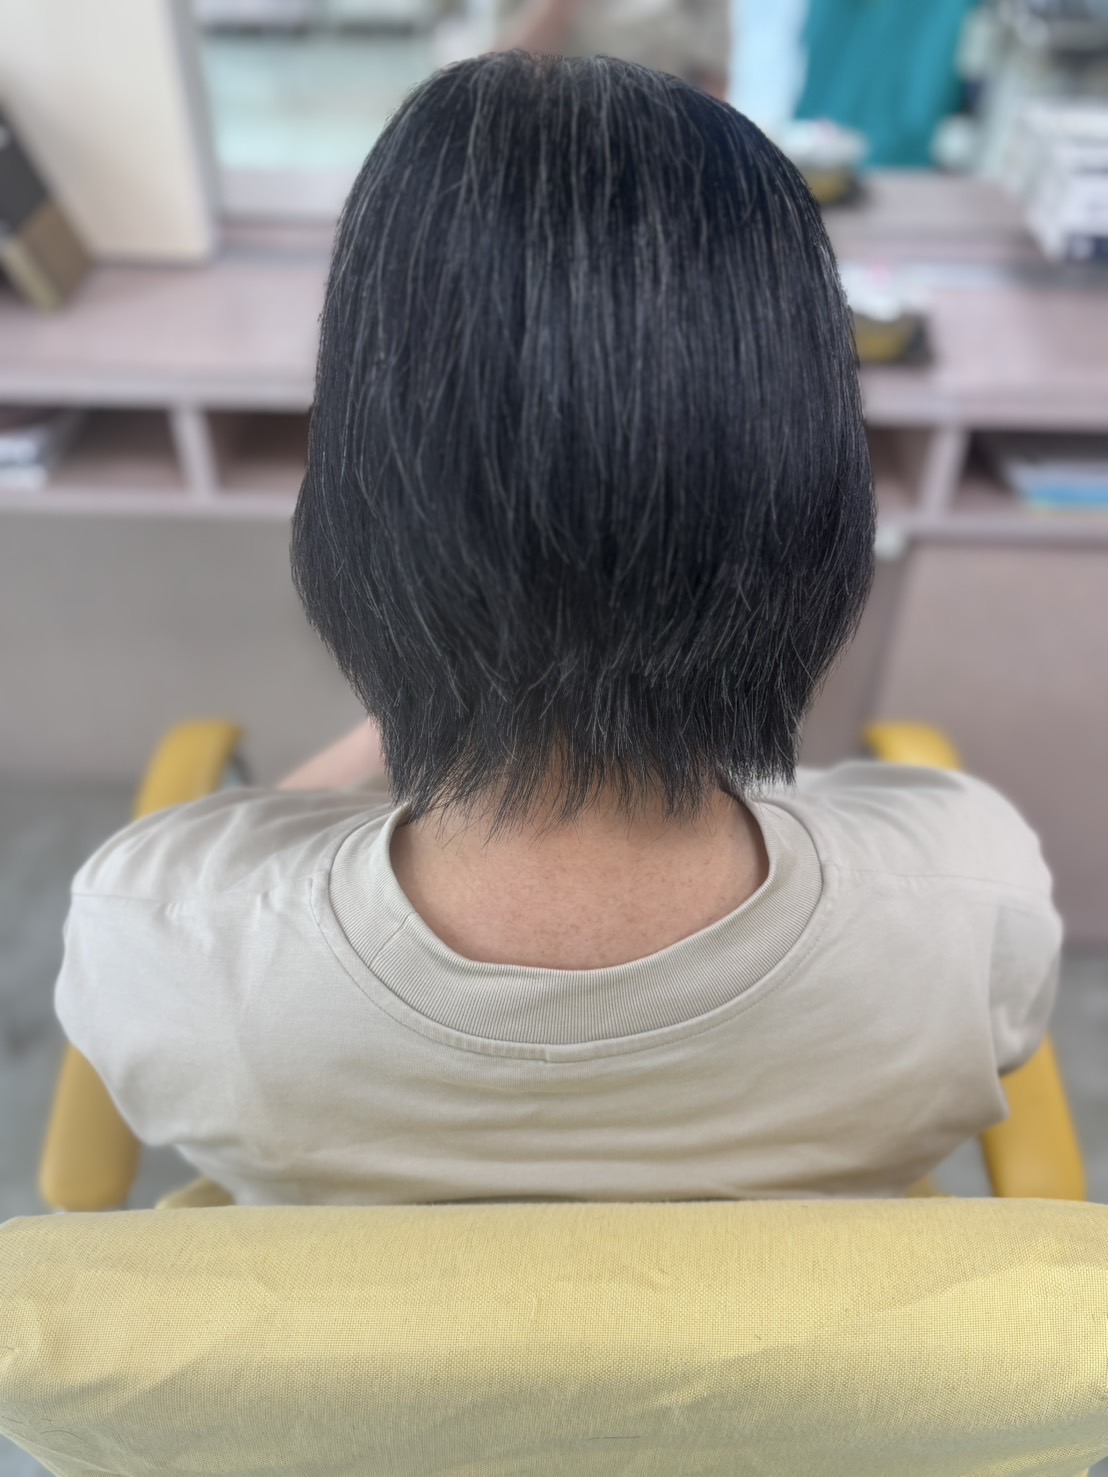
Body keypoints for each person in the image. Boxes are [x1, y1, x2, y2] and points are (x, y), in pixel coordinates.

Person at [55, 53, 1060, 1207]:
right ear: (806, 488)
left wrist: (426, 704)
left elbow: (241, 878)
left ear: (368, 490)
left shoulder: (163, 939)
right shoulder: (969, 904)